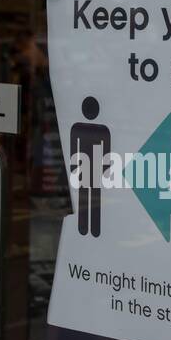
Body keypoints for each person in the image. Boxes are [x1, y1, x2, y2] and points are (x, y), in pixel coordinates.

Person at [70, 96, 110, 237]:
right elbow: (106, 154)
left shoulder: (77, 128)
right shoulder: (102, 130)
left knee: (85, 199)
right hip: (94, 171)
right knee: (94, 200)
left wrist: (74, 170)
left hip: (84, 170)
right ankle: (92, 230)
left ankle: (86, 229)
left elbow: (73, 150)